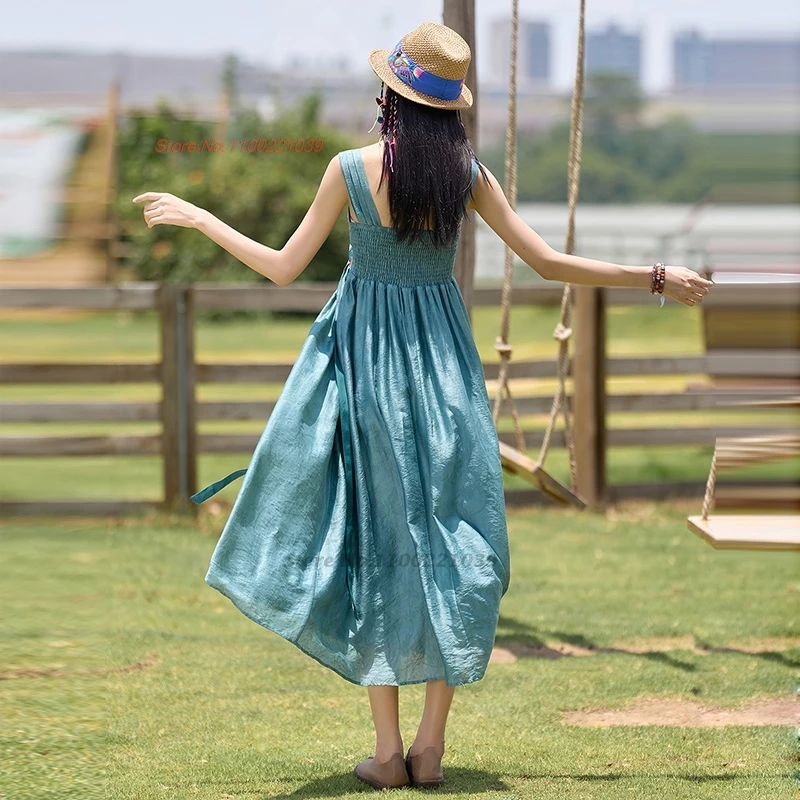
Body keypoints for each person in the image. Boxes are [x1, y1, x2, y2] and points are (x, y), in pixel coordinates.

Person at [133, 20, 713, 792]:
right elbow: (545, 263)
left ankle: (386, 753)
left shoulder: (348, 169)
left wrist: (201, 217)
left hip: (370, 377)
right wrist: (652, 275)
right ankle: (430, 747)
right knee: (456, 536)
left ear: (391, 101)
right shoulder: (466, 177)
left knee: (380, 544)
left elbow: (282, 270)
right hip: (445, 374)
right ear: (451, 110)